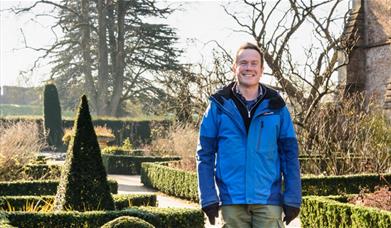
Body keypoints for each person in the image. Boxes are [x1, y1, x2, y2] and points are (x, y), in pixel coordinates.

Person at [196, 42, 302, 227]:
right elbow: (204, 154)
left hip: (268, 202)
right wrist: (208, 197)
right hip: (231, 202)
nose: (249, 68)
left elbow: (290, 155)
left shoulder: (277, 106)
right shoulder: (217, 106)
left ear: (261, 69)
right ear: (234, 67)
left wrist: (293, 197)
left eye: (254, 63)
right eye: (243, 63)